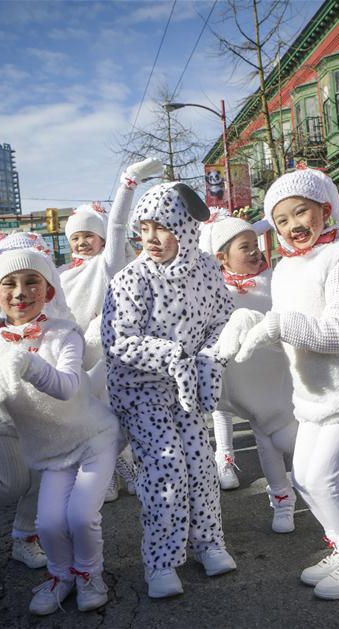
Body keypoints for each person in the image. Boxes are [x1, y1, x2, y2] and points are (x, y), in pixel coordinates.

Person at [222, 168, 339, 600]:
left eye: (302, 212)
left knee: (321, 479)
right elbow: (287, 334)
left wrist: (278, 325)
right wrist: (253, 327)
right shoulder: (284, 270)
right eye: (282, 219)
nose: (294, 225)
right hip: (310, 392)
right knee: (303, 475)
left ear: (324, 209)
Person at [0, 232, 119, 616]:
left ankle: (90, 575)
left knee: (79, 516)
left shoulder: (64, 334)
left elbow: (68, 386)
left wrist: (27, 363)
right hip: (50, 451)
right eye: (9, 284)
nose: (20, 292)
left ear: (49, 289)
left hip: (92, 439)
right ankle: (61, 576)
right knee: (47, 525)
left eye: (32, 282)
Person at [101, 182, 236, 599]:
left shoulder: (208, 270)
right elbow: (117, 341)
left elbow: (223, 321)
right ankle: (162, 561)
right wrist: (173, 355)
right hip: (141, 389)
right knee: (167, 470)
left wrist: (210, 359)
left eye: (162, 227)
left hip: (188, 387)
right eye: (144, 228)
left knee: (200, 466)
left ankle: (209, 543)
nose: (151, 239)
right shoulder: (131, 279)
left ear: (185, 228)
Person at [62, 159, 164, 502]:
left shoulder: (108, 265)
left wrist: (129, 183)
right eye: (75, 237)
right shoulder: (62, 276)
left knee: (118, 415)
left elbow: (119, 223)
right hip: (79, 356)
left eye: (88, 235)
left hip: (113, 351)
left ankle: (124, 468)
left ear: (101, 238)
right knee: (89, 420)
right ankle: (108, 472)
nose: (81, 243)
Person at [206, 215, 299, 532]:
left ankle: (312, 477)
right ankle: (281, 499)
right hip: (242, 381)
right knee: (266, 443)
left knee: (287, 436)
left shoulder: (275, 279)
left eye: (256, 245)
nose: (256, 251)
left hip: (278, 376)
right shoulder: (213, 288)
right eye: (245, 247)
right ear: (222, 257)